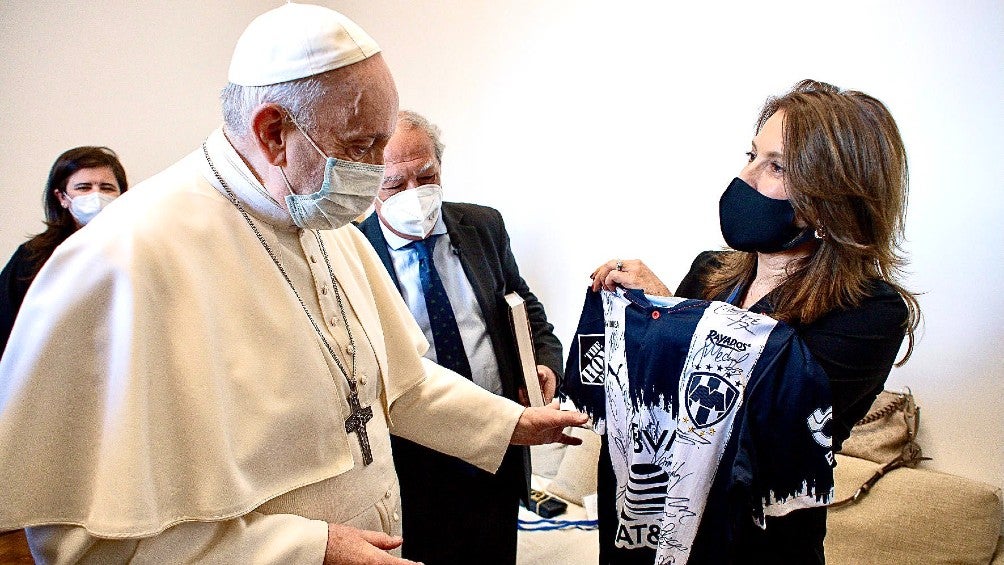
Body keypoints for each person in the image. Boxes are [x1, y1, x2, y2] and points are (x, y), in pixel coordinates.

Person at [0, 4, 586, 564]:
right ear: (275, 132)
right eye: (361, 147)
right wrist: (302, 551)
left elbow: (396, 381)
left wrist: (509, 423)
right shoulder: (123, 261)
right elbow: (81, 543)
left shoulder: (322, 218)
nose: (378, 171)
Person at [587, 79, 920, 563]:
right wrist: (647, 315)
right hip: (655, 524)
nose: (745, 178)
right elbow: (659, 396)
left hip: (759, 546)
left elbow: (756, 418)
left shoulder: (871, 313)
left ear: (833, 195)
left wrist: (669, 313)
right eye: (751, 155)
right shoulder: (709, 271)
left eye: (776, 166)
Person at [358, 110, 563, 564]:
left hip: (499, 441)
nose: (414, 194)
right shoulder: (352, 252)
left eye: (426, 175)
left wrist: (544, 365)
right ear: (369, 184)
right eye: (394, 183)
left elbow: (524, 306)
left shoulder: (483, 226)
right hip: (411, 457)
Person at [0, 146, 127, 354]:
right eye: (84, 187)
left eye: (106, 188)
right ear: (62, 197)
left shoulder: (135, 251)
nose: (96, 195)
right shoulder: (33, 256)